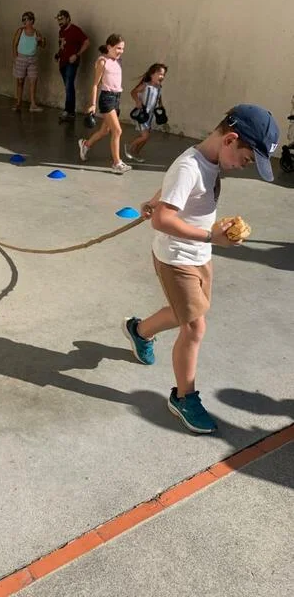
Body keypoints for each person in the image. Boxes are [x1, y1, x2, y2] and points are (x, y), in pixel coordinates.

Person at [122, 104, 279, 433]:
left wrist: (157, 199)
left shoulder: (210, 160)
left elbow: (175, 195)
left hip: (199, 254)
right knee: (194, 328)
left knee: (188, 313)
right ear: (230, 139)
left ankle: (140, 330)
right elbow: (162, 220)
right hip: (177, 257)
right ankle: (184, 397)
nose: (243, 167)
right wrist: (210, 236)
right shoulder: (189, 166)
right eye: (247, 160)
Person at [77, 34, 131, 175]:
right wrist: (93, 104)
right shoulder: (102, 61)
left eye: (122, 48)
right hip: (107, 99)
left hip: (117, 98)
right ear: (109, 47)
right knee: (117, 131)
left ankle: (85, 144)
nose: (121, 51)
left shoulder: (118, 61)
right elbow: (95, 84)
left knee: (104, 131)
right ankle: (117, 163)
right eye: (118, 48)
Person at [125, 63, 168, 163]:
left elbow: (159, 97)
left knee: (146, 138)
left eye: (163, 75)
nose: (162, 76)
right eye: (160, 74)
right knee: (145, 136)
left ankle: (135, 152)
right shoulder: (146, 85)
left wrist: (161, 105)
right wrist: (137, 101)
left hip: (150, 116)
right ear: (152, 74)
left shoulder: (159, 87)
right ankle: (129, 146)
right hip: (142, 115)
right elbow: (133, 92)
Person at [55, 10, 90, 122]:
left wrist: (77, 55)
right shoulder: (61, 31)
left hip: (71, 63)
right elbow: (62, 46)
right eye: (58, 19)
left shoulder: (75, 30)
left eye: (62, 19)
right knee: (68, 87)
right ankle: (71, 112)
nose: (60, 22)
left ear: (68, 18)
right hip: (62, 62)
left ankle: (68, 110)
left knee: (69, 85)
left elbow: (87, 42)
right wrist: (58, 54)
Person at [11, 11, 46, 112]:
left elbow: (43, 46)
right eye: (23, 19)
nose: (24, 21)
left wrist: (41, 40)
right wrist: (15, 58)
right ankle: (18, 103)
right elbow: (14, 44)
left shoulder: (36, 32)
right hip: (21, 58)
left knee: (33, 81)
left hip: (32, 59)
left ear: (31, 20)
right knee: (20, 81)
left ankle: (33, 104)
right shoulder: (20, 31)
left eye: (25, 19)